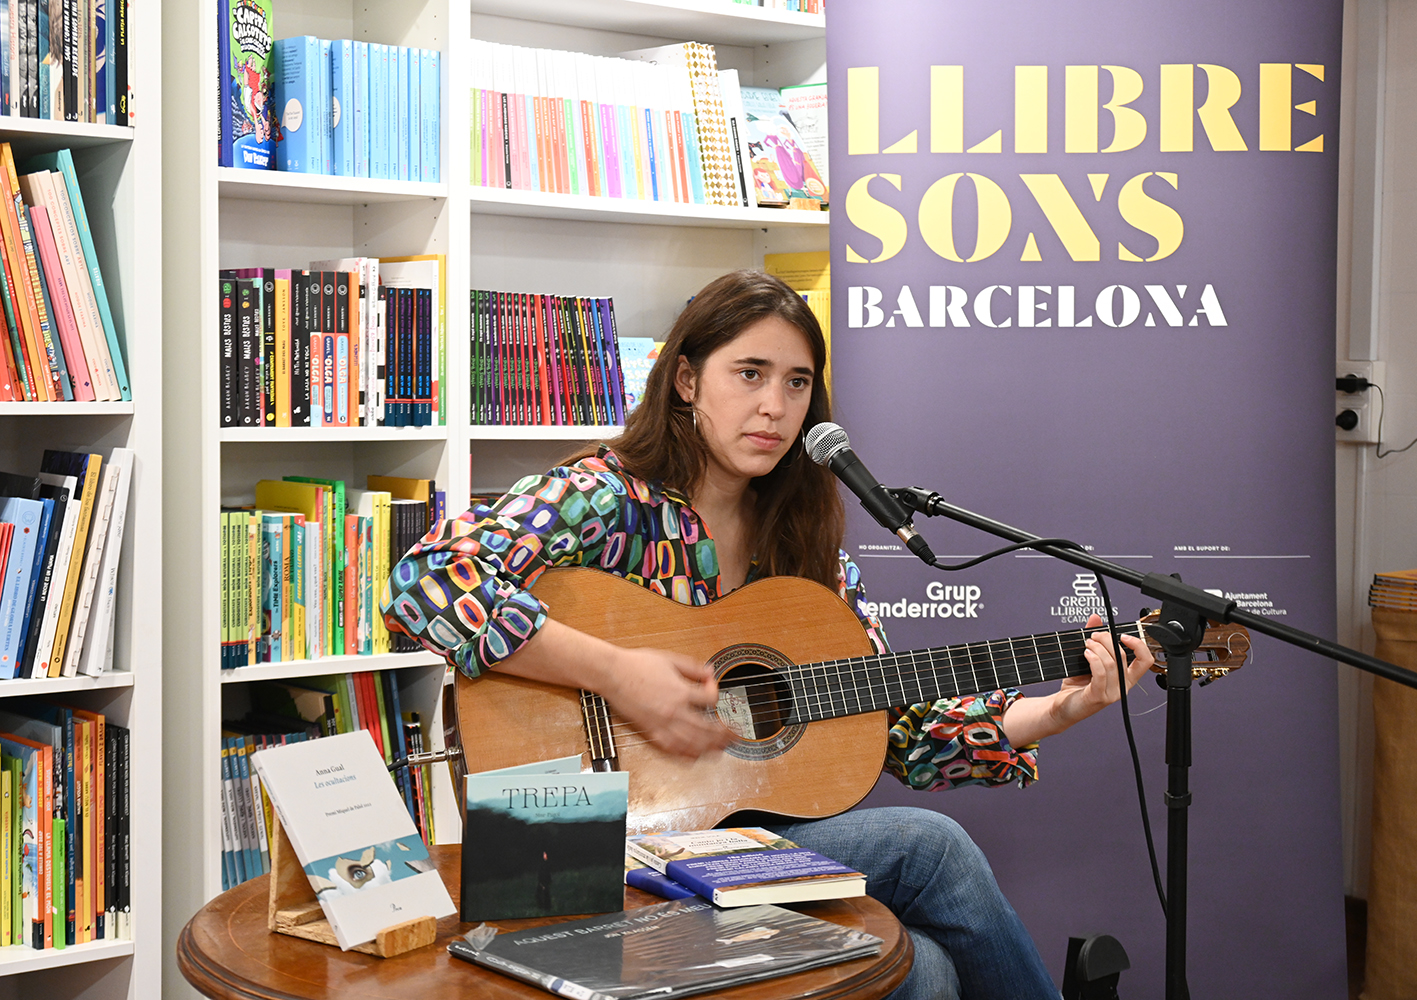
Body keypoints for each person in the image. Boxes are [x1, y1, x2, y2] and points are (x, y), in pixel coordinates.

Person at [383, 270, 1154, 1000]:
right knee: (932, 850)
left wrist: (1064, 708)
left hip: (735, 843)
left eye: (796, 383)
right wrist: (619, 676)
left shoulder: (804, 547)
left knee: (927, 970)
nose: (775, 407)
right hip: (582, 847)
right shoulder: (604, 497)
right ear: (687, 381)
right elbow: (424, 582)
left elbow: (902, 731)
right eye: (749, 374)